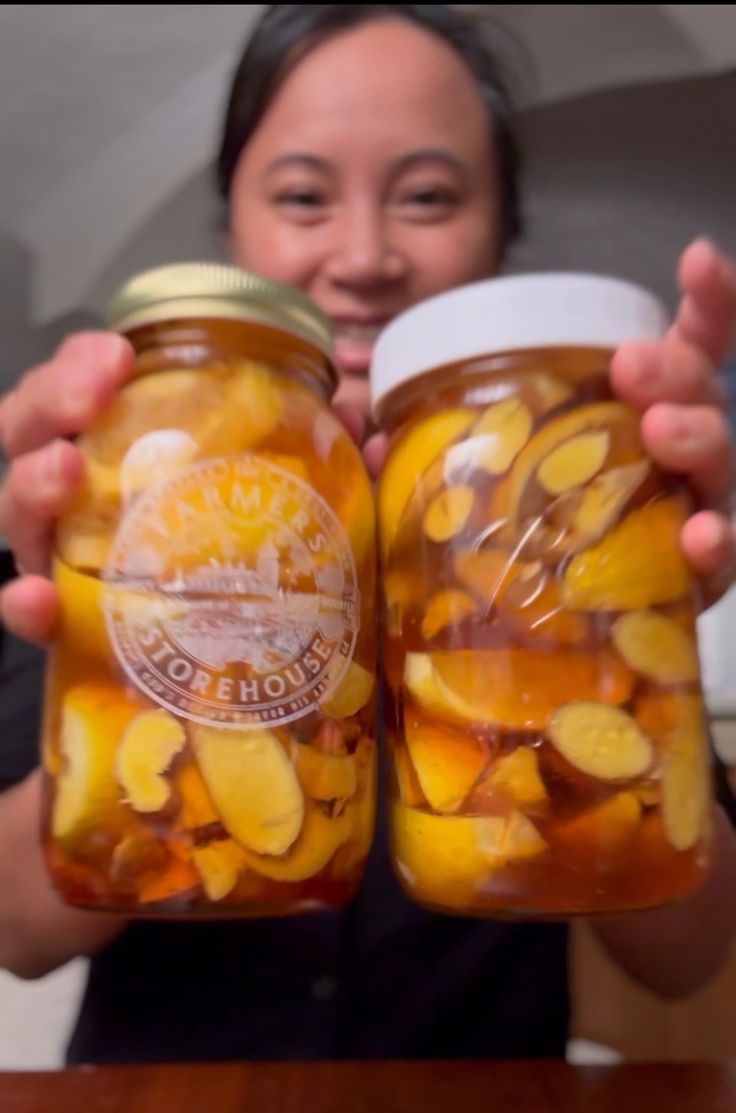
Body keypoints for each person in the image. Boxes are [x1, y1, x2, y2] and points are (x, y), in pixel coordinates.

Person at [0, 4, 735, 1064]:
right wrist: (110, 655)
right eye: (303, 195)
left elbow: (685, 958)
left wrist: (626, 637)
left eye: (428, 195)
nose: (361, 254)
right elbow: (21, 934)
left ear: (499, 231)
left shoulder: (575, 506)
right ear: (230, 236)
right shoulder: (120, 485)